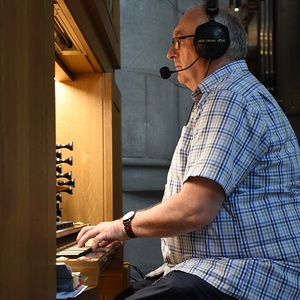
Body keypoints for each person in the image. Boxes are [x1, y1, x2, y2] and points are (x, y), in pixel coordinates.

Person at [77, 3, 300, 300]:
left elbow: (195, 208)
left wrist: (122, 227)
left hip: (252, 274)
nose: (170, 53)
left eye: (178, 39)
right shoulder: (224, 95)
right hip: (216, 268)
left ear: (212, 42)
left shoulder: (230, 98)